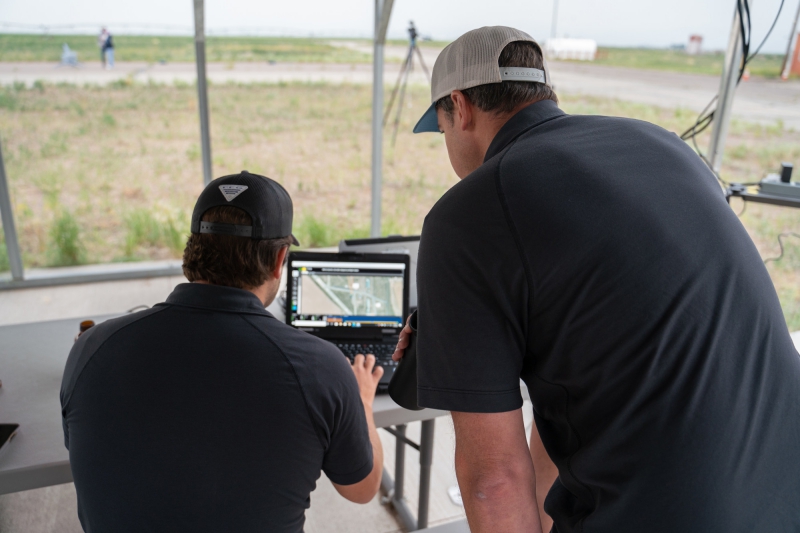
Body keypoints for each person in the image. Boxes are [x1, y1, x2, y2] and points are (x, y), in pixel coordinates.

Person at [394, 26, 800, 533]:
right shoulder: (662, 145)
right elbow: (581, 377)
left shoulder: (469, 213)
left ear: (460, 107)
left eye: (441, 130)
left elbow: (492, 482)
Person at [61, 171, 384, 533]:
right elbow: (363, 489)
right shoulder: (320, 367)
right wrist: (362, 402)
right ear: (279, 260)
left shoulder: (90, 348)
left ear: (191, 248)